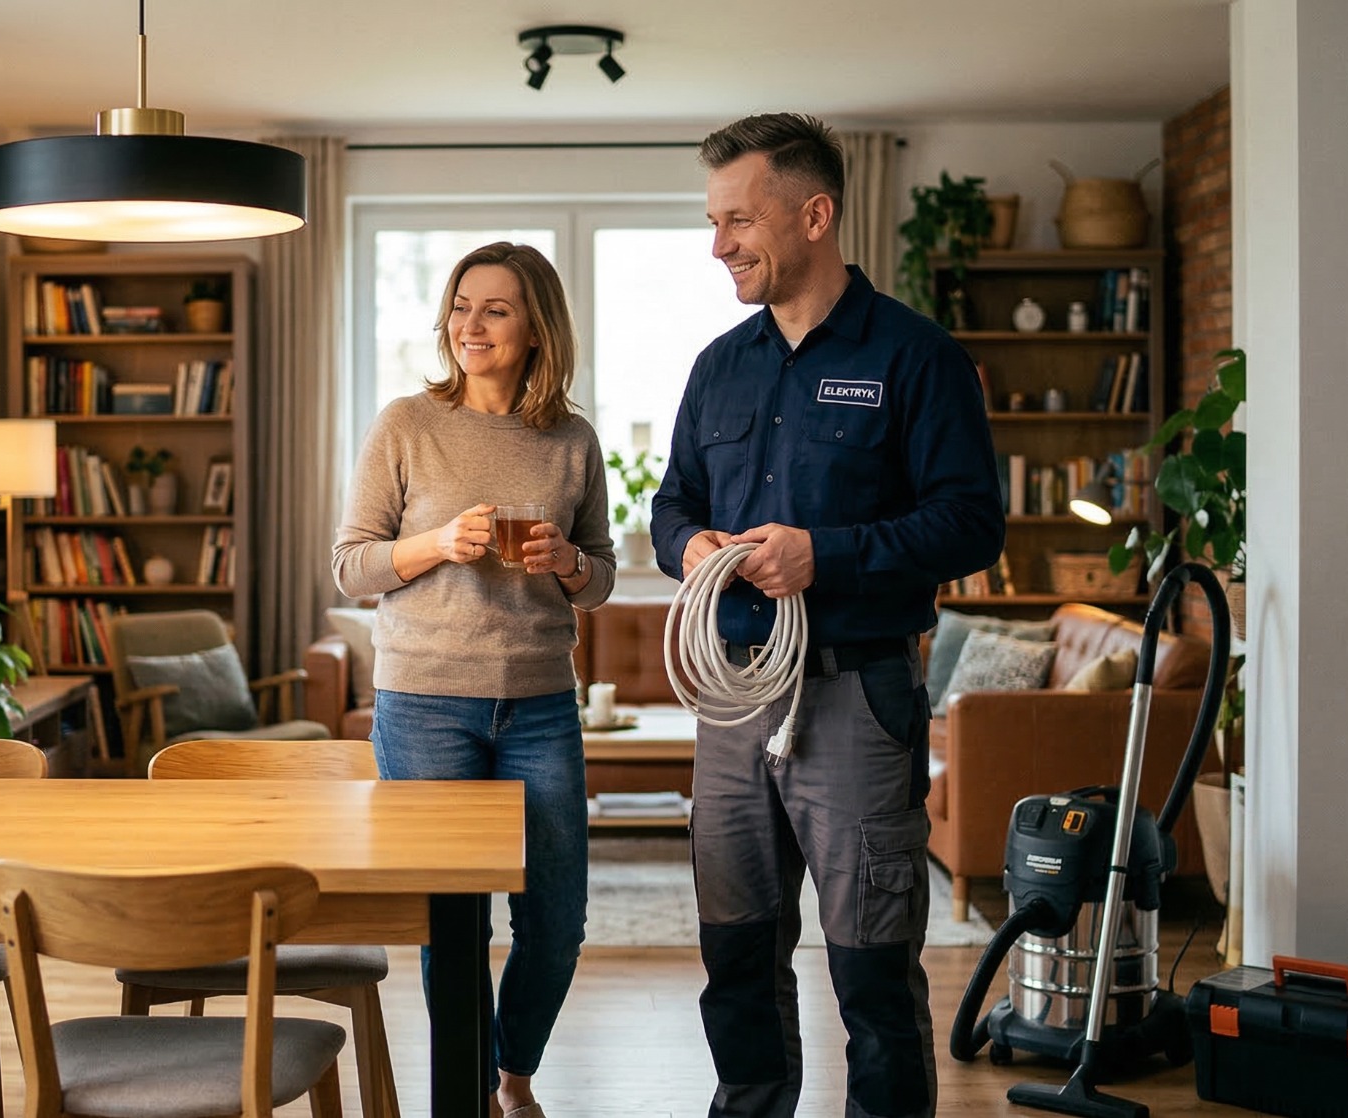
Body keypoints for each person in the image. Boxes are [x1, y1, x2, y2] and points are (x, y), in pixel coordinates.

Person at [651, 114, 1006, 1118]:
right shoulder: (719, 365)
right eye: (711, 221)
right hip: (731, 705)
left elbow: (971, 523)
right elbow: (669, 504)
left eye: (737, 218)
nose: (717, 243)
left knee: (870, 968)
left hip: (857, 692)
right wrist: (692, 550)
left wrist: (824, 553)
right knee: (734, 953)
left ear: (814, 213)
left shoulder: (916, 356)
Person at [332, 241, 616, 1118]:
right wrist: (436, 544)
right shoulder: (406, 422)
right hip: (423, 704)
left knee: (556, 923)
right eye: (461, 305)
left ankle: (511, 1073)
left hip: (538, 704)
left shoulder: (572, 439)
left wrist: (566, 559)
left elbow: (601, 575)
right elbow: (350, 567)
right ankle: (467, 1096)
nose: (470, 324)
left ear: (536, 328)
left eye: (494, 309)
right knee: (455, 925)